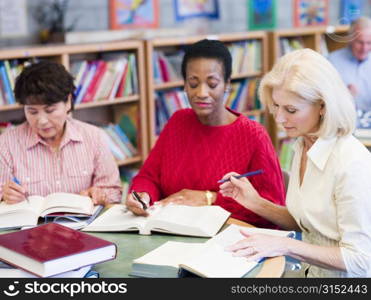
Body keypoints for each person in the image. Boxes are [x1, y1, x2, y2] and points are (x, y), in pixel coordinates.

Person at [220, 48, 371, 277]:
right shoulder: (303, 144)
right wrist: (255, 202)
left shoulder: (351, 164)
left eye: (291, 110)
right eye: (277, 106)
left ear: (322, 106)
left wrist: (285, 245)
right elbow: (308, 221)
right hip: (309, 273)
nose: (279, 119)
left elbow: (362, 259)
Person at [126, 39, 285, 228]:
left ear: (227, 84)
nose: (201, 92)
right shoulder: (178, 122)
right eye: (193, 84)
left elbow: (272, 209)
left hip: (229, 241)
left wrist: (209, 198)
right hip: (171, 232)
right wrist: (142, 194)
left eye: (212, 84)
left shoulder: (254, 135)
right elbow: (148, 177)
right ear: (184, 85)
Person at [0, 60, 122, 205]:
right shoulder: (7, 143)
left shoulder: (94, 137)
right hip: (30, 226)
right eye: (32, 111)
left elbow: (114, 192)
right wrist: (5, 196)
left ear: (68, 102)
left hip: (81, 226)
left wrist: (100, 194)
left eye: (50, 110)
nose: (42, 121)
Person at [327, 17, 371, 112]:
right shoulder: (332, 61)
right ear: (350, 39)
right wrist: (343, 96)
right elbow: (324, 99)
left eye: (369, 43)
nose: (365, 48)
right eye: (360, 42)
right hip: (344, 120)